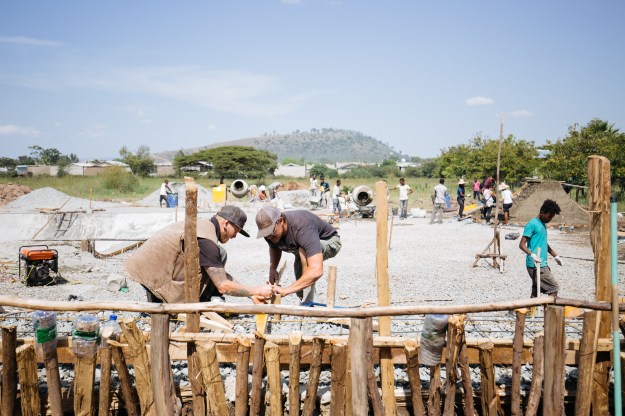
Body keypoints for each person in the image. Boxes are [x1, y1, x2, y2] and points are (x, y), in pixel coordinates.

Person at [125, 205, 273, 304]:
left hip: (146, 266)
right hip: (149, 273)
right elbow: (222, 285)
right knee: (219, 254)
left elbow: (219, 274)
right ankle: (168, 303)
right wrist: (258, 290)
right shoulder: (207, 241)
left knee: (220, 254)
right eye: (237, 231)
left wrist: (251, 294)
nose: (235, 236)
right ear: (226, 223)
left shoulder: (204, 226)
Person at [256, 206, 342, 303]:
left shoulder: (302, 226)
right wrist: (272, 269)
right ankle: (303, 299)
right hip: (301, 249)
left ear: (280, 221)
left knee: (305, 255)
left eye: (271, 233)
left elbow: (317, 270)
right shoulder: (270, 233)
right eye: (265, 234)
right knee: (300, 284)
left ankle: (307, 303)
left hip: (330, 241)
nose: (269, 237)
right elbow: (274, 247)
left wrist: (286, 290)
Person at [519, 199, 563, 298]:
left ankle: (527, 312)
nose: (550, 219)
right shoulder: (532, 224)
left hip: (542, 263)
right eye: (549, 216)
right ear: (542, 212)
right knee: (553, 288)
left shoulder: (542, 224)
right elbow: (521, 244)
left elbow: (543, 243)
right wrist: (532, 254)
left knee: (536, 290)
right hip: (535, 264)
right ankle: (551, 312)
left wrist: (555, 256)